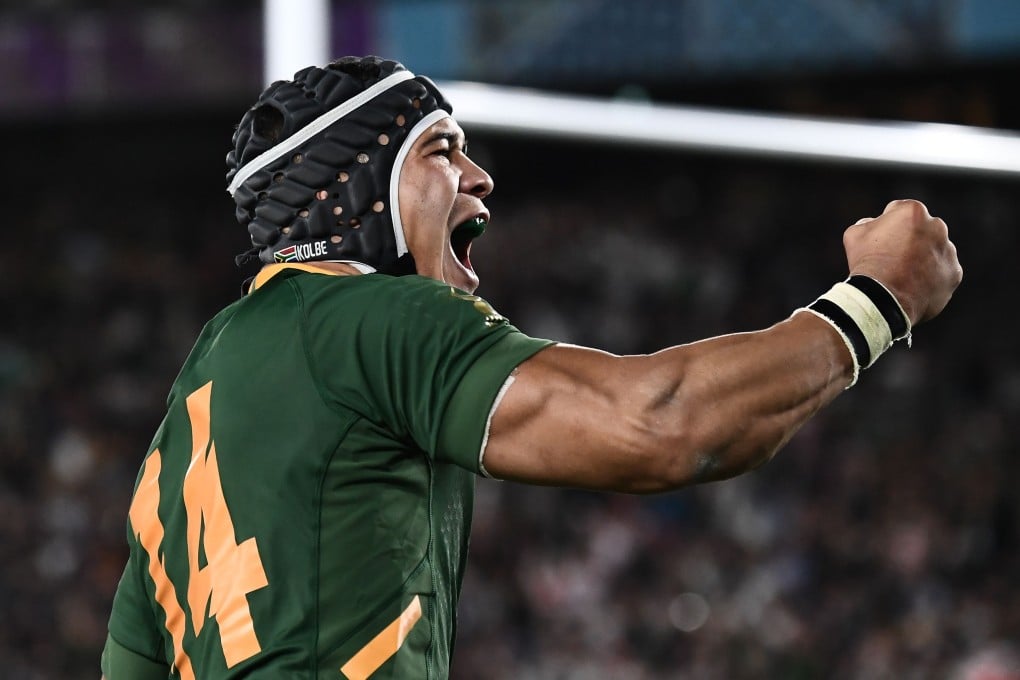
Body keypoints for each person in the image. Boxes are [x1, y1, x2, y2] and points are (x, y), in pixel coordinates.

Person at [100, 56, 962, 679]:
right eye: (439, 151)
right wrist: (880, 298)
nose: (477, 175)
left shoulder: (192, 398)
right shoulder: (367, 318)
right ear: (352, 187)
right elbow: (663, 426)